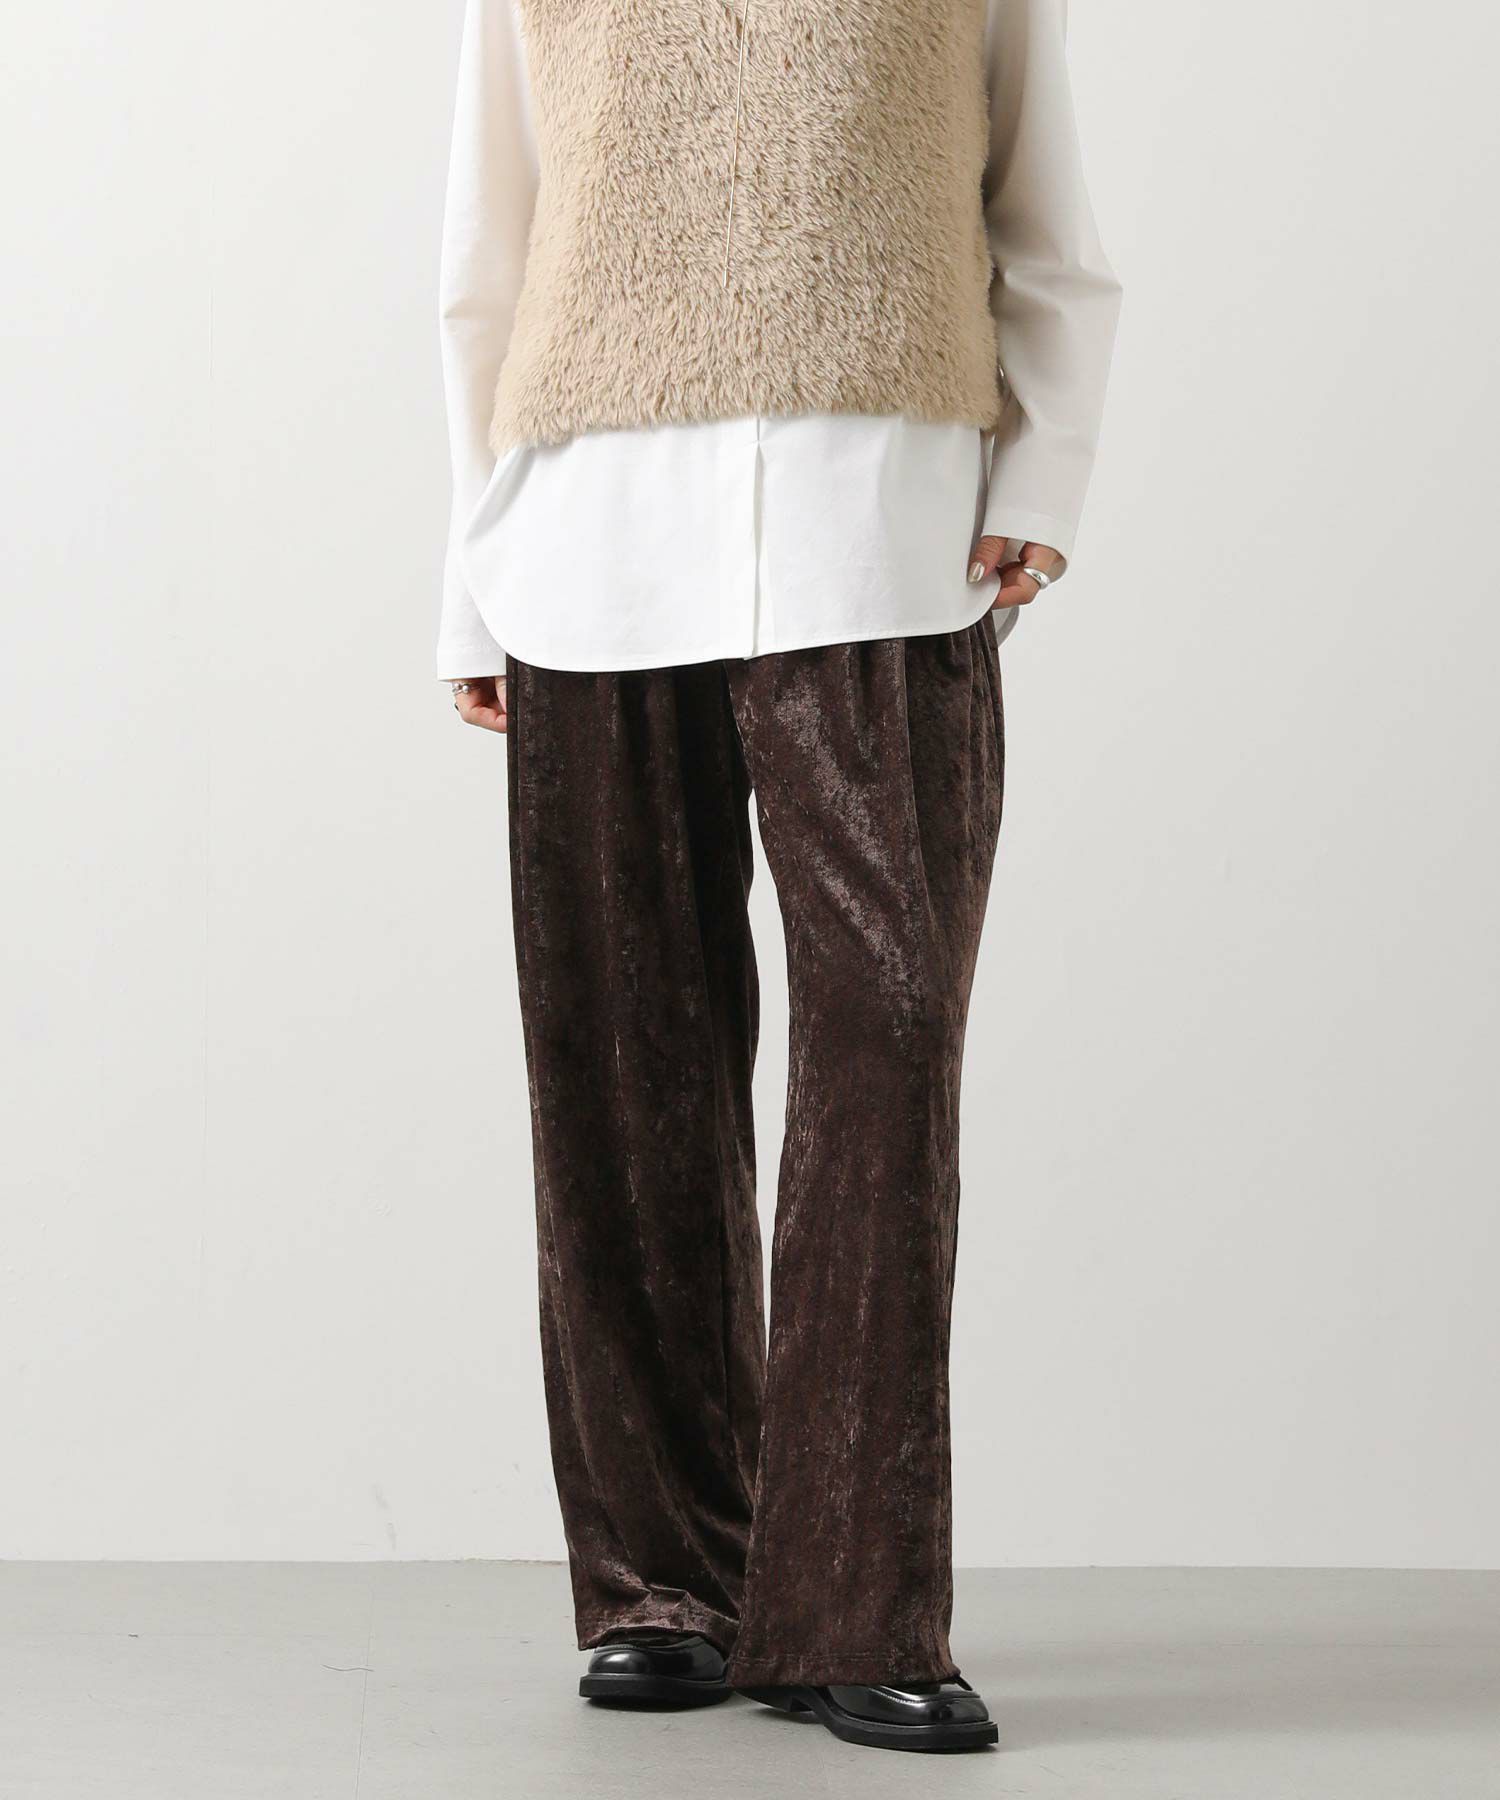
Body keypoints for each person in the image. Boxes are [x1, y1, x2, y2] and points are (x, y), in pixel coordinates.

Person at [437, 0, 1120, 1755]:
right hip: (589, 541)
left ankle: (859, 1608)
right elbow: (490, 245)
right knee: (625, 1068)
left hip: (881, 526)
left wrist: (1045, 464)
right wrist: (469, 578)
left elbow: (1044, 206)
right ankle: (665, 1582)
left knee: (889, 1035)